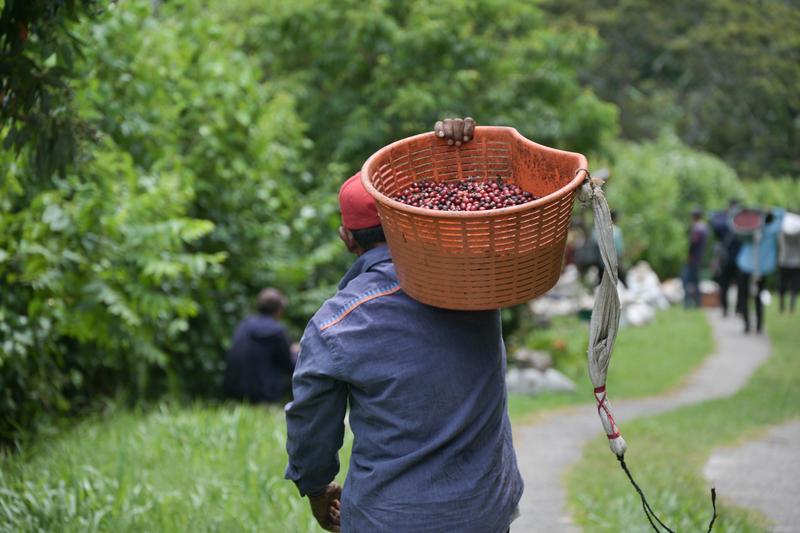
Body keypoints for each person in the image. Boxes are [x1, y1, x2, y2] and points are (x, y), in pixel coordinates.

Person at [284, 118, 523, 533]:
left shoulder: (336, 325)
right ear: (415, 216)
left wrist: (318, 490)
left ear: (347, 238)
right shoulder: (477, 282)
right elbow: (497, 197)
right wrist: (457, 148)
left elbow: (311, 427)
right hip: (485, 514)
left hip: (389, 519)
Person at [223, 288, 295, 403]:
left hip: (234, 391)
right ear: (279, 309)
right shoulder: (277, 331)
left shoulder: (244, 324)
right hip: (262, 395)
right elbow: (289, 365)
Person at [735, 209, 785, 333]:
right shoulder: (772, 230)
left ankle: (747, 325)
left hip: (746, 266)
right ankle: (758, 326)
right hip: (761, 269)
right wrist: (771, 211)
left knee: (745, 296)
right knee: (758, 297)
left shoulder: (751, 228)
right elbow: (782, 216)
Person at [710, 200, 742, 316]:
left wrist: (723, 213)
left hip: (727, 259)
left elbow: (712, 218)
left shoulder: (723, 222)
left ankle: (725, 308)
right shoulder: (742, 223)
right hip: (738, 260)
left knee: (725, 285)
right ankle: (738, 308)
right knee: (739, 285)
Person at [682, 207, 709, 308]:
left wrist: (689, 255)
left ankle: (688, 303)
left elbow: (693, 243)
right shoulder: (705, 227)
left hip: (693, 258)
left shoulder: (697, 228)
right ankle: (697, 303)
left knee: (686, 280)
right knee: (696, 282)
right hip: (699, 257)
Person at [777, 212, 800, 314]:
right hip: (796, 262)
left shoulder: (782, 232)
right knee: (794, 286)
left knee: (782, 285)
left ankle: (782, 306)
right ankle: (791, 307)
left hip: (784, 261)